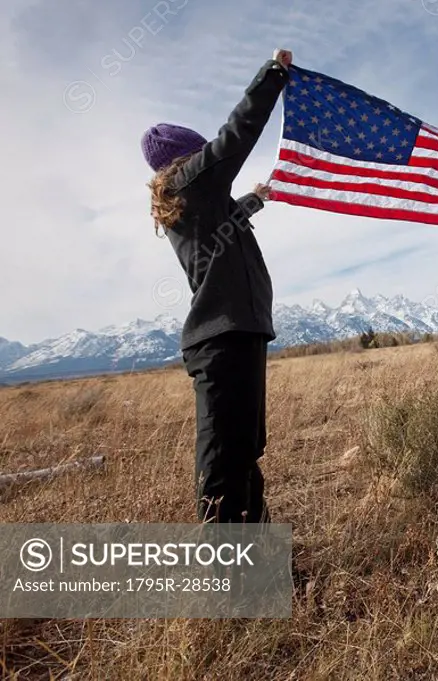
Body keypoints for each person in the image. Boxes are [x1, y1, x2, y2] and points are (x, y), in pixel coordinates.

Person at [140, 49, 293, 523]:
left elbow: (224, 226)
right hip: (223, 340)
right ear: (186, 158)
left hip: (237, 334)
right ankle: (228, 578)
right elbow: (235, 136)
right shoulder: (191, 181)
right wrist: (273, 75)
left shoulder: (199, 203)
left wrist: (255, 199)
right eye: (201, 152)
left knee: (243, 451)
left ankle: (256, 560)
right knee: (224, 464)